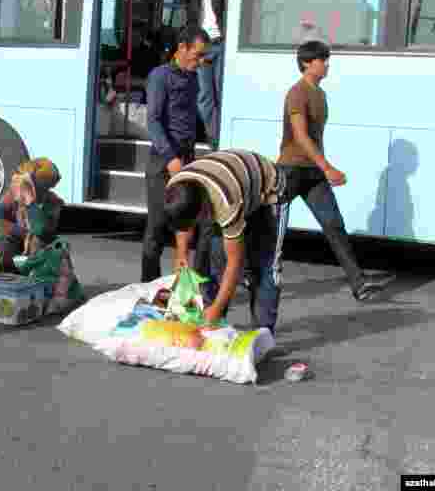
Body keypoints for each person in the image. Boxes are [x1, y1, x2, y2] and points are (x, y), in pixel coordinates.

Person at [276, 39, 385, 301]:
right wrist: (328, 167)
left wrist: (321, 167)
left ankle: (358, 284)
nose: (327, 64)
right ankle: (250, 273)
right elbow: (301, 136)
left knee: (334, 225)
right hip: (291, 170)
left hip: (313, 173)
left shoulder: (320, 94)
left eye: (326, 59)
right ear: (306, 63)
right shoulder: (297, 92)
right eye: (321, 60)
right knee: (271, 228)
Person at [163, 149, 287, 334]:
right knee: (215, 259)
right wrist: (182, 255)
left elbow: (234, 264)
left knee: (265, 265)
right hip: (231, 179)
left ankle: (264, 333)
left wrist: (216, 309)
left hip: (269, 190)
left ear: (203, 210)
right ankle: (215, 323)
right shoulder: (176, 187)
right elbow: (183, 225)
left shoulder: (225, 202)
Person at [0, 157, 84, 313]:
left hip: (40, 258)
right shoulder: (12, 197)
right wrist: (21, 232)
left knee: (56, 252)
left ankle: (53, 296)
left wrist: (30, 202)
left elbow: (41, 231)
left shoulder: (53, 203)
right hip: (18, 253)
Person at [141, 26, 209, 283]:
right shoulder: (160, 76)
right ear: (182, 48)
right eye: (197, 55)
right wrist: (171, 159)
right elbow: (154, 121)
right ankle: (148, 287)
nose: (201, 62)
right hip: (163, 160)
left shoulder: (193, 77)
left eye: (203, 57)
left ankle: (194, 283)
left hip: (187, 158)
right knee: (157, 228)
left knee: (198, 224)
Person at [171, 0, 226, 146]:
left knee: (222, 93)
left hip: (221, 43)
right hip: (201, 46)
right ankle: (215, 138)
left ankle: (221, 135)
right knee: (204, 96)